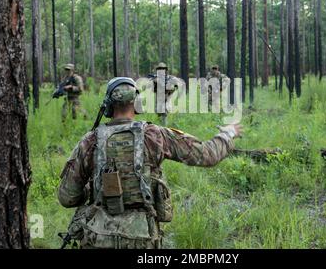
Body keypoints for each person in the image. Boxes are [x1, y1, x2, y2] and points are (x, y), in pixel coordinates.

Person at [57, 77, 243, 249]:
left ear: (108, 105)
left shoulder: (90, 141)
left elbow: (67, 197)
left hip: (98, 236)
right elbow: (207, 155)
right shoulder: (155, 135)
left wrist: (94, 189)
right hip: (143, 236)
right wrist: (227, 134)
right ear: (137, 103)